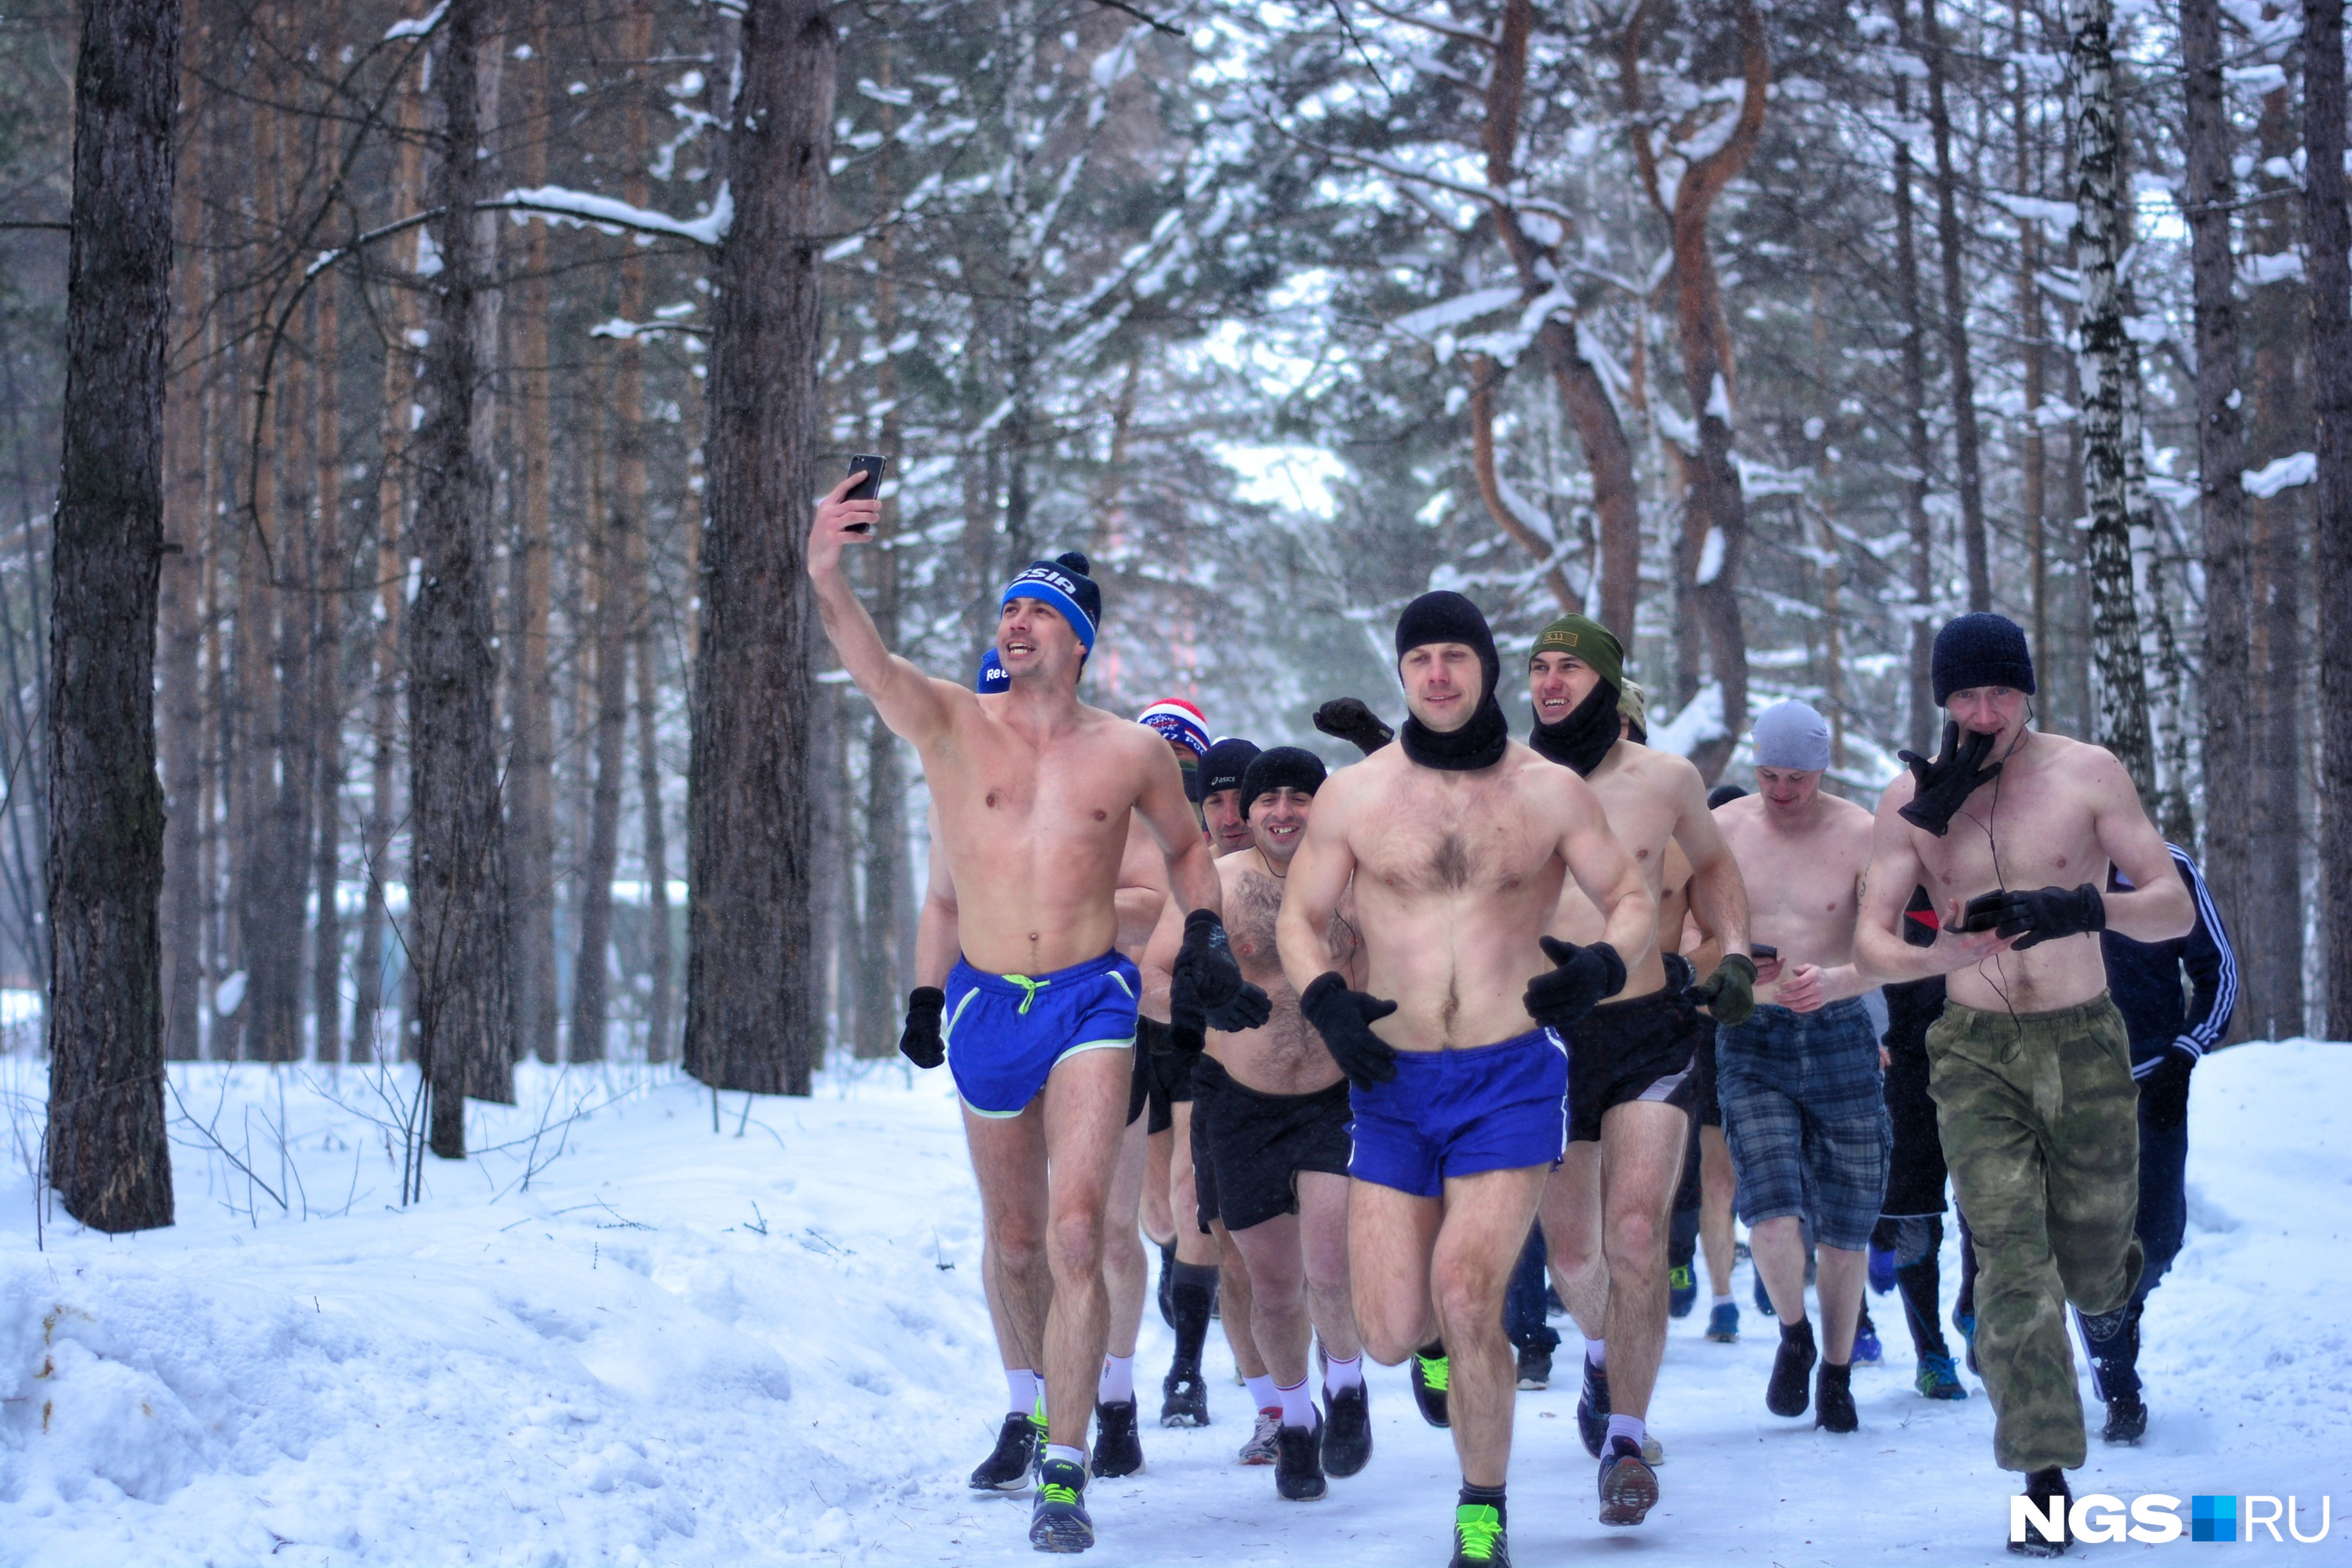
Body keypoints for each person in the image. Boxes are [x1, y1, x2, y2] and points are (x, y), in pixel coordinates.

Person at [809, 480, 1268, 1554]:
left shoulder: (1131, 751)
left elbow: (1191, 849)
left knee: (1075, 1232)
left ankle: (1066, 1469)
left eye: (1038, 612)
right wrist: (827, 568)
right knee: (1014, 1240)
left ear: (1079, 640)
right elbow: (867, 661)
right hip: (984, 1006)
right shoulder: (953, 723)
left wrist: (1200, 935)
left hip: (1089, 1003)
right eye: (1008, 610)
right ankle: (1024, 1403)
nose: (1014, 624)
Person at [1279, 590, 1653, 1568]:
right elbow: (1298, 913)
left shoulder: (1548, 790)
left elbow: (1631, 897)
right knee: (1394, 1330)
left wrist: (1604, 966)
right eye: (1420, 659)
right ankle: (1442, 1345)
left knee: (1467, 1287)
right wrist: (1323, 998)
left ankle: (1481, 1511)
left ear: (1486, 667)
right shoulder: (1357, 794)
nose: (1438, 674)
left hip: (1509, 1076)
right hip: (1390, 1083)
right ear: (1401, 674)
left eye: (1457, 655)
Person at [1853, 612, 2192, 1556]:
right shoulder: (1914, 799)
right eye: (1964, 695)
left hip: (2084, 1040)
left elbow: (2170, 905)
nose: (1984, 710)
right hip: (1975, 1050)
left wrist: (2083, 903)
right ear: (1943, 700)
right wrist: (1947, 943)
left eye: (2000, 691)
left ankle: (2110, 1300)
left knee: (2090, 1256)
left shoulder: (2088, 773)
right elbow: (1872, 940)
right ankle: (2045, 1477)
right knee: (2009, 1254)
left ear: (2027, 690)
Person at [1518, 615, 1755, 1528]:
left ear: (1608, 683)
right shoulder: (1510, 778)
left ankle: (1625, 1437)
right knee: (1574, 1252)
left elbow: (1719, 865)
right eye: (1537, 667)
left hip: (1651, 1029)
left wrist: (1731, 949)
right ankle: (1599, 1351)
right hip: (1542, 1034)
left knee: (1632, 1231)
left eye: (1568, 666)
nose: (1548, 680)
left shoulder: (1666, 779)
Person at [1155, 745, 1373, 1500]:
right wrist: (1204, 1000)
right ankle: (1297, 1418)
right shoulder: (1213, 885)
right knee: (1274, 1287)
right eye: (1267, 799)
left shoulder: (1355, 879)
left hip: (1334, 1097)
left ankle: (1346, 1385)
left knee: (1331, 1263)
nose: (1283, 811)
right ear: (1243, 813)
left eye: (1300, 796)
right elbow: (1155, 974)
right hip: (1238, 1103)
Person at [1711, 700, 1889, 1436]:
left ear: (1822, 769)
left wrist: (1840, 980)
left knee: (1847, 1224)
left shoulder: (1861, 833)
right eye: (1769, 775)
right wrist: (1734, 976)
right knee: (1772, 1210)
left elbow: (1886, 948)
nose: (1782, 791)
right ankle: (1793, 1332)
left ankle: (1838, 1372)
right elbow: (1691, 932)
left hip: (1841, 1026)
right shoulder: (1723, 831)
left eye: (1798, 778)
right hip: (1753, 1032)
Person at [2078, 843, 2236, 1443]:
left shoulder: (2166, 868)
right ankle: (2120, 1388)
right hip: (2069, 1086)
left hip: (2155, 1081)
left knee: (2160, 1239)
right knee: (2091, 1241)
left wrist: (2185, 1055)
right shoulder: (2046, 862)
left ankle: (2127, 1307)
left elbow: (2217, 970)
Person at [1144, 735, 1273, 1439]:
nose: (1228, 815)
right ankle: (1197, 1329)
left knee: (1198, 1204)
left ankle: (1191, 1370)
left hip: (1264, 1070)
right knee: (1166, 1217)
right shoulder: (1181, 861)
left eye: (1237, 799)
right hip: (1170, 1045)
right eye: (1213, 801)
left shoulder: (1297, 863)